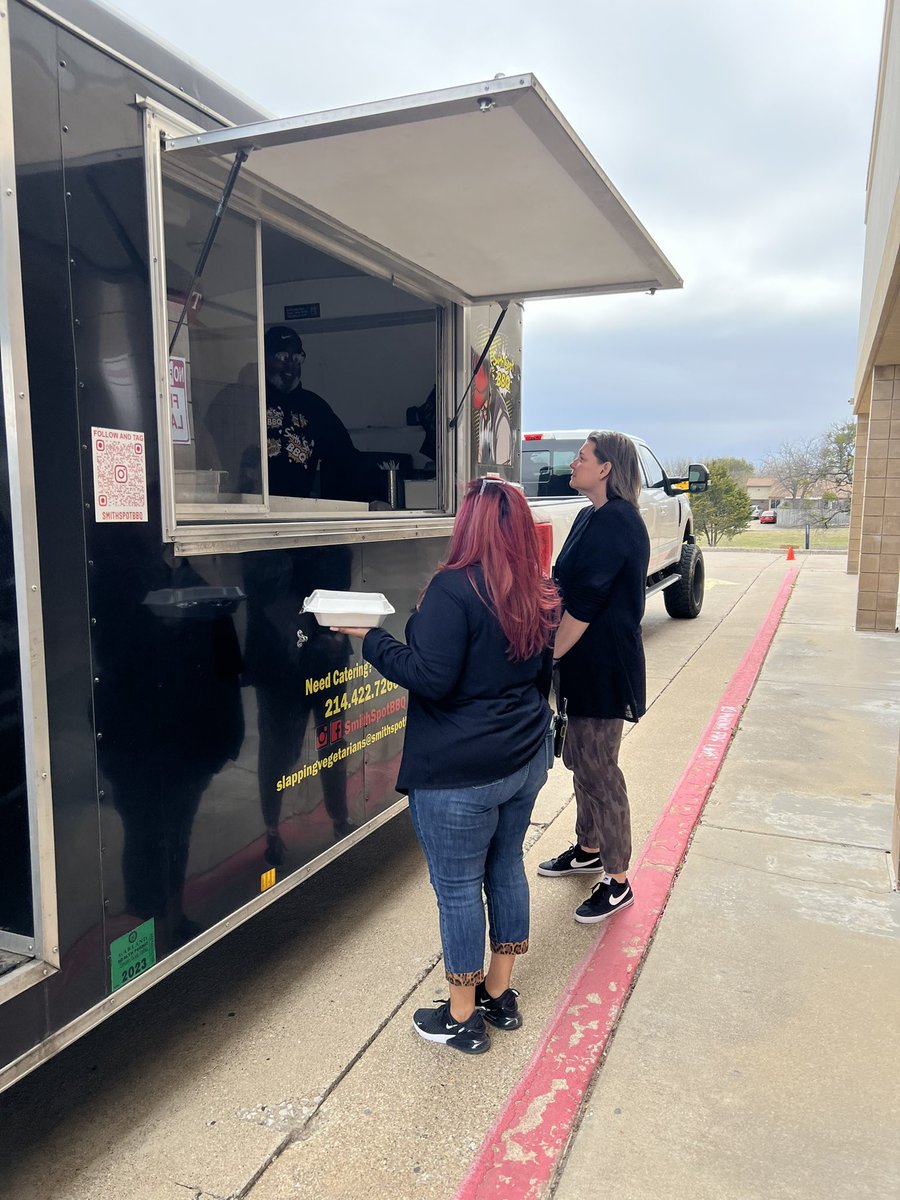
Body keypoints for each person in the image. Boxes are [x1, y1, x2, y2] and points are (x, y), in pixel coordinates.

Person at [332, 477, 559, 1055]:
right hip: (524, 756)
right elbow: (539, 677)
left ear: (468, 526)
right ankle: (499, 994)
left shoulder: (452, 589)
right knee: (506, 866)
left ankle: (461, 1017)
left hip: (460, 772)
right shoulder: (536, 588)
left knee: (458, 890)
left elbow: (430, 677)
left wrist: (370, 638)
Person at [536, 432, 650, 925]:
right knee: (580, 758)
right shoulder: (588, 516)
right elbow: (562, 581)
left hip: (604, 666)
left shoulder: (619, 523)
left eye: (582, 458)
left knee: (601, 768)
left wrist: (548, 656)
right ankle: (588, 848)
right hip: (582, 662)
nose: (574, 463)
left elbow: (585, 604)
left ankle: (619, 879)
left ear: (605, 469)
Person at [207, 325, 371, 501]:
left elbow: (345, 458)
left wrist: (371, 498)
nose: (290, 364)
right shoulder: (238, 399)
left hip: (295, 511)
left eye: (297, 358)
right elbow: (208, 450)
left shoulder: (314, 407)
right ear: (264, 358)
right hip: (245, 507)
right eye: (282, 357)